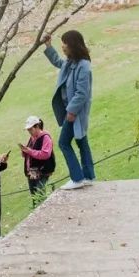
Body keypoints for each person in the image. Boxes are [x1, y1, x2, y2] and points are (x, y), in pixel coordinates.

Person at [42, 30, 95, 190]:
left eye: (65, 43)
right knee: (81, 141)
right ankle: (88, 176)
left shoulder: (84, 66)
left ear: (73, 45)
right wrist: (48, 46)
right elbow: (58, 61)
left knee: (63, 143)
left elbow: (82, 93)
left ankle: (77, 178)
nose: (63, 46)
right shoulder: (71, 62)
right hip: (70, 111)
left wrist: (71, 112)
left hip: (75, 113)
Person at [19, 116, 56, 206]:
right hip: (32, 172)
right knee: (34, 196)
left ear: (37, 127)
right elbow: (30, 153)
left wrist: (30, 151)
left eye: (30, 129)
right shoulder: (32, 138)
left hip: (42, 171)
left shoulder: (45, 137)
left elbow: (45, 154)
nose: (29, 132)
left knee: (40, 195)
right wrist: (24, 151)